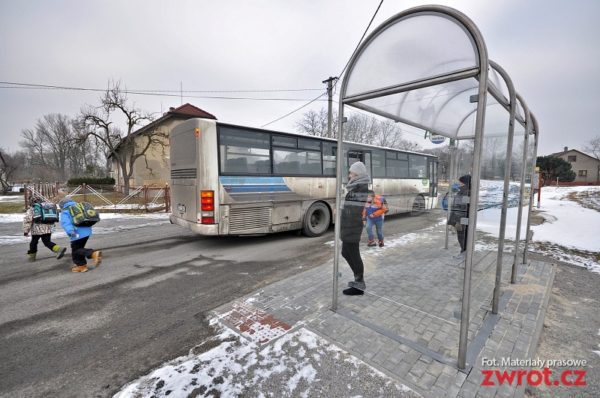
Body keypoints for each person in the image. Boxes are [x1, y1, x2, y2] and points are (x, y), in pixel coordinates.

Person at [340, 161, 370, 295]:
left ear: (357, 174)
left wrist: (342, 210)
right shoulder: (355, 187)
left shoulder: (361, 189)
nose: (349, 175)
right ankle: (358, 281)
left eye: (351, 172)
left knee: (353, 254)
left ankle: (359, 284)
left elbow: (354, 209)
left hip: (353, 226)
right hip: (349, 225)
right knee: (346, 253)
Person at [59, 198, 102, 273]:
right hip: (87, 232)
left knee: (76, 251)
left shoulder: (65, 212)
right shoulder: (79, 207)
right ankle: (82, 266)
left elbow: (66, 224)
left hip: (76, 233)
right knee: (79, 249)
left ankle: (92, 253)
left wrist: (70, 232)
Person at [23, 197, 67, 262]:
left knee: (33, 243)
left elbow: (28, 220)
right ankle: (58, 249)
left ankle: (32, 257)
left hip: (37, 229)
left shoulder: (32, 209)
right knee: (47, 242)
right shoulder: (47, 207)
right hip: (48, 228)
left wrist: (26, 231)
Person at [448, 175, 471, 259]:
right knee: (462, 236)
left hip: (461, 220)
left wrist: (458, 221)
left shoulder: (466, 193)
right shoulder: (462, 191)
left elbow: (463, 208)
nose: (458, 183)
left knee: (462, 237)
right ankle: (463, 252)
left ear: (464, 183)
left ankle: (464, 253)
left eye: (460, 182)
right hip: (460, 219)